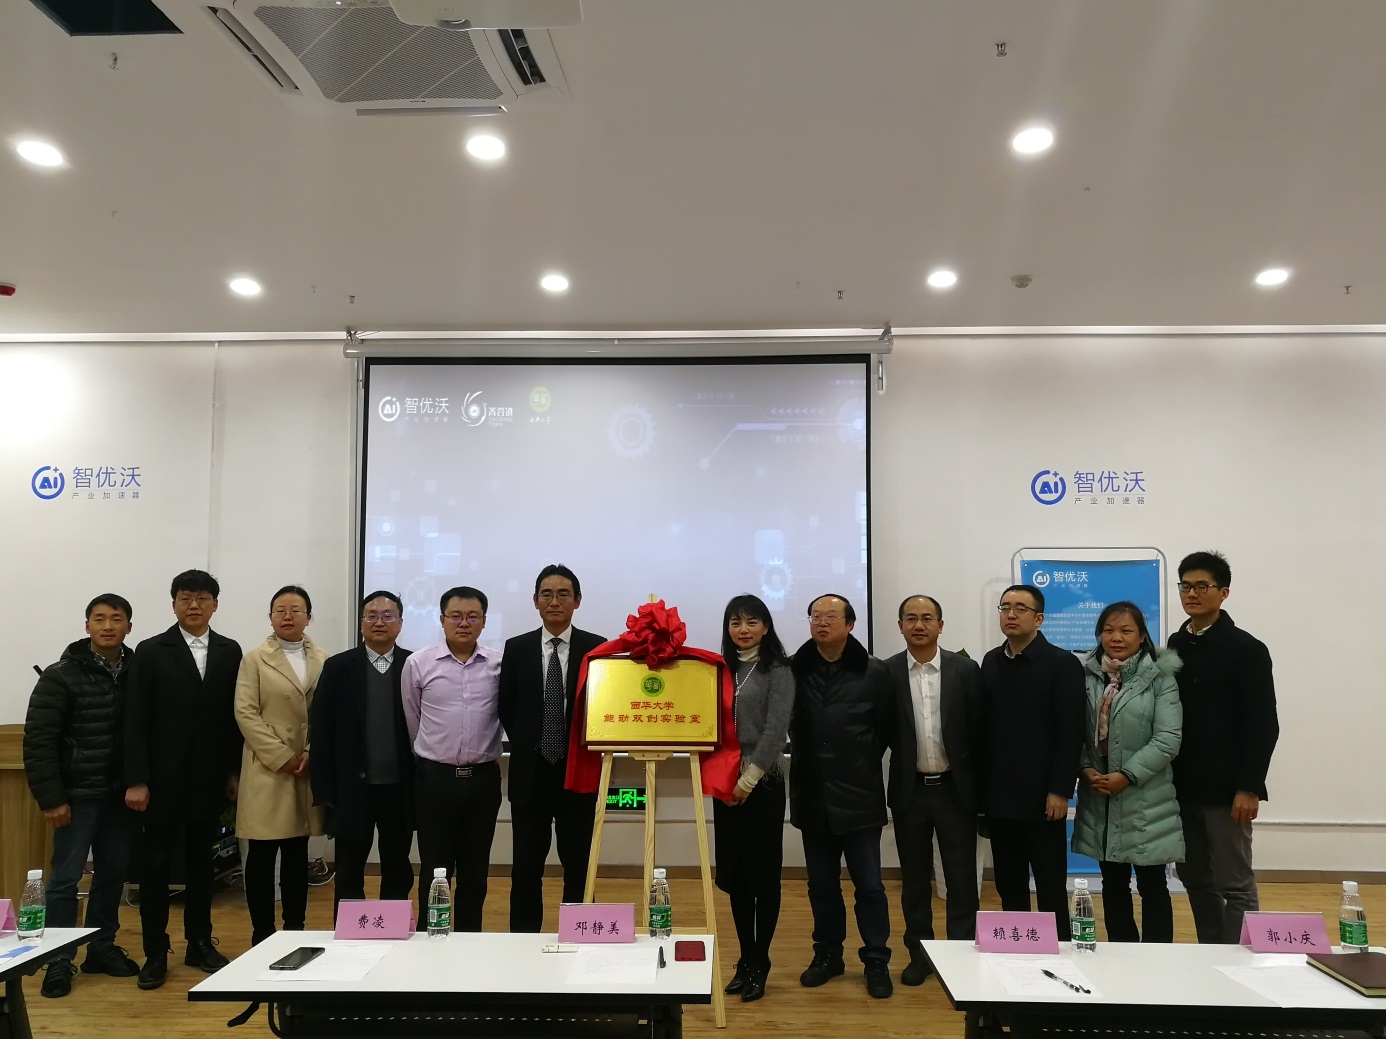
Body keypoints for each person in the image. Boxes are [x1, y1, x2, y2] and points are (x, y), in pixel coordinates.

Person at [124, 570, 242, 990]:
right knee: (155, 869)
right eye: (185, 598)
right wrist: (137, 779)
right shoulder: (151, 650)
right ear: (173, 604)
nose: (194, 605)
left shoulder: (230, 651)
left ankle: (199, 943)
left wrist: (233, 773)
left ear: (215, 605)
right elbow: (135, 720)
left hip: (209, 780)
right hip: (160, 782)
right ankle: (156, 952)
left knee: (202, 867)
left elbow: (235, 720)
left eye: (202, 598)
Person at [23, 595, 141, 998]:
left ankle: (101, 948)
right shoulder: (61, 675)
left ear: (129, 627)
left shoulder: (138, 672)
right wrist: (51, 798)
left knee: (112, 875)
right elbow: (39, 741)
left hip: (122, 796)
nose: (108, 626)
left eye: (117, 619)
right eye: (99, 619)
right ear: (87, 625)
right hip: (76, 796)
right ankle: (59, 959)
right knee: (65, 880)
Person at [1168, 551, 1278, 944]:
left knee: (1235, 883)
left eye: (1202, 586)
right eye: (1185, 586)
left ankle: (1241, 962)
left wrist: (1249, 787)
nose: (1192, 593)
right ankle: (1210, 953)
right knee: (1195, 878)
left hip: (1228, 791)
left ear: (1224, 592)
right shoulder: (1176, 643)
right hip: (1182, 788)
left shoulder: (1247, 648)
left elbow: (1264, 725)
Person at [789, 594, 896, 1000]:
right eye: (815, 616)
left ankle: (876, 960)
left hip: (859, 795)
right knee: (821, 886)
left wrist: (857, 762)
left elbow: (885, 730)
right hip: (812, 794)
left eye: (831, 616)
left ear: (850, 625)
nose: (822, 622)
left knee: (870, 887)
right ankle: (828, 954)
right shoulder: (794, 669)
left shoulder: (875, 672)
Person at [498, 565, 606, 933]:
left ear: (577, 600)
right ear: (535, 601)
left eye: (563, 594)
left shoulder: (597, 648)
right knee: (526, 867)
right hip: (530, 774)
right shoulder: (517, 648)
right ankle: (524, 940)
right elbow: (506, 706)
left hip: (578, 772)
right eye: (546, 594)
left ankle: (580, 935)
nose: (555, 601)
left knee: (579, 864)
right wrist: (531, 742)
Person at [1071, 601, 1183, 943]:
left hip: (1147, 797)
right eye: (1109, 630)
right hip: (1100, 795)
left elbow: (1167, 739)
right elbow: (1072, 731)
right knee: (1112, 882)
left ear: (1142, 636)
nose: (1116, 637)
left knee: (1153, 884)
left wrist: (1128, 775)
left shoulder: (1159, 677)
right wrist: (1085, 767)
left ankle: (1157, 956)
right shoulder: (1086, 676)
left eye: (1126, 631)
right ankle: (1121, 952)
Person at [886, 595, 982, 985]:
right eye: (911, 618)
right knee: (914, 881)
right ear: (901, 626)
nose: (919, 625)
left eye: (927, 618)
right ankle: (920, 954)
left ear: (941, 625)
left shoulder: (965, 670)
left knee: (961, 880)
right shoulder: (887, 672)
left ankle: (960, 954)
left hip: (954, 790)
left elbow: (979, 730)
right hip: (910, 791)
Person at [979, 584, 1084, 941]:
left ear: (1039, 619)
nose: (1011, 614)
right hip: (1000, 798)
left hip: (1043, 798)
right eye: (1005, 607)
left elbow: (1070, 733)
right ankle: (1018, 951)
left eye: (1020, 608)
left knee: (1050, 885)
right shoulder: (991, 661)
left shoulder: (1062, 664)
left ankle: (1061, 952)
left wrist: (1060, 790)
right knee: (1009, 885)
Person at [403, 586, 503, 932]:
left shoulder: (498, 665)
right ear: (442, 619)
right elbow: (412, 720)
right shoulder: (419, 663)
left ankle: (469, 941)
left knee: (475, 872)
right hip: (435, 781)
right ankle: (432, 937)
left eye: (472, 616)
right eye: (456, 616)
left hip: (483, 781)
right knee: (435, 869)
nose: (464, 623)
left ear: (484, 622)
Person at [310, 591, 415, 921]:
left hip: (400, 788)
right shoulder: (339, 666)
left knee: (397, 866)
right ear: (361, 624)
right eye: (372, 615)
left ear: (400, 623)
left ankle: (393, 930)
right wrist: (324, 790)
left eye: (387, 615)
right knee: (349, 868)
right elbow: (321, 730)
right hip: (351, 789)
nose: (379, 622)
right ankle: (351, 938)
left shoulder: (414, 664)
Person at [234, 585, 327, 946]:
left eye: (295, 610)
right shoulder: (255, 659)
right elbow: (245, 713)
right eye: (280, 610)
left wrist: (310, 750)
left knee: (296, 853)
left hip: (305, 766)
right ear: (270, 617)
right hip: (267, 767)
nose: (287, 616)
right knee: (261, 853)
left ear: (308, 617)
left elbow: (328, 712)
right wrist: (281, 756)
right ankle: (262, 933)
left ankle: (294, 930)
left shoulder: (323, 659)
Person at [714, 594, 795, 1003]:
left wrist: (747, 781)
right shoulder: (719, 668)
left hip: (761, 781)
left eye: (751, 622)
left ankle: (761, 960)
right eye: (735, 622)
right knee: (736, 875)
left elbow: (776, 731)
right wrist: (723, 779)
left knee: (763, 876)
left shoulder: (778, 669)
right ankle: (745, 958)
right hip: (723, 779)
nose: (743, 630)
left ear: (765, 627)